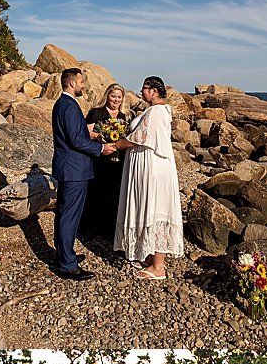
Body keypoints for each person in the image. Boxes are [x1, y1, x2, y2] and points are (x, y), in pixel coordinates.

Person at [110, 77, 182, 280]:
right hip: (147, 166)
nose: (141, 91)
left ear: (154, 91)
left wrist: (116, 145)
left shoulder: (157, 111)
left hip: (153, 168)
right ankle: (150, 257)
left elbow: (140, 137)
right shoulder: (155, 110)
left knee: (156, 210)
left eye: (144, 88)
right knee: (147, 208)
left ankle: (158, 267)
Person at [50, 67, 114, 280]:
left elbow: (75, 134)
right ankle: (68, 265)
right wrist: (101, 148)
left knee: (64, 213)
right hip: (74, 169)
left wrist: (93, 136)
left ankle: (64, 254)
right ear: (71, 83)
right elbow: (76, 140)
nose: (83, 85)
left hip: (68, 168)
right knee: (69, 216)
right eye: (81, 82)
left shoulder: (62, 104)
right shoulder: (69, 106)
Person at [83, 83, 131, 241]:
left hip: (118, 160)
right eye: (113, 96)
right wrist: (100, 137)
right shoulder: (96, 112)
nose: (116, 100)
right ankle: (90, 227)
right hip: (99, 158)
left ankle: (109, 228)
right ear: (107, 96)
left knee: (115, 193)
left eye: (119, 97)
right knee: (96, 190)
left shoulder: (124, 115)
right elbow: (86, 133)